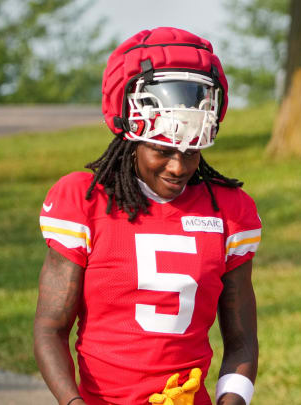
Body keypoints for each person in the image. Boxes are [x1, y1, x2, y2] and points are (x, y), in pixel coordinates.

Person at [33, 27, 261, 405]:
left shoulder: (229, 210)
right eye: (163, 150)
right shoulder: (85, 201)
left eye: (191, 152)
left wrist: (232, 402)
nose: (178, 166)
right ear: (131, 135)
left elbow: (241, 342)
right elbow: (49, 329)